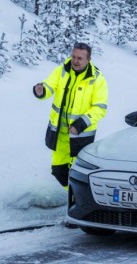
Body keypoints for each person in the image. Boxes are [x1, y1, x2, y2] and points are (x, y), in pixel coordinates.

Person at [32, 41, 109, 189]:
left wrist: (81, 123)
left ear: (89, 60)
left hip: (81, 137)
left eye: (80, 58)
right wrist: (41, 91)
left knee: (78, 174)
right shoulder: (62, 71)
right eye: (73, 56)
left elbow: (100, 108)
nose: (75, 61)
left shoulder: (97, 79)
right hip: (59, 134)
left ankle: (76, 201)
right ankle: (69, 198)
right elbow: (49, 86)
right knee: (58, 171)